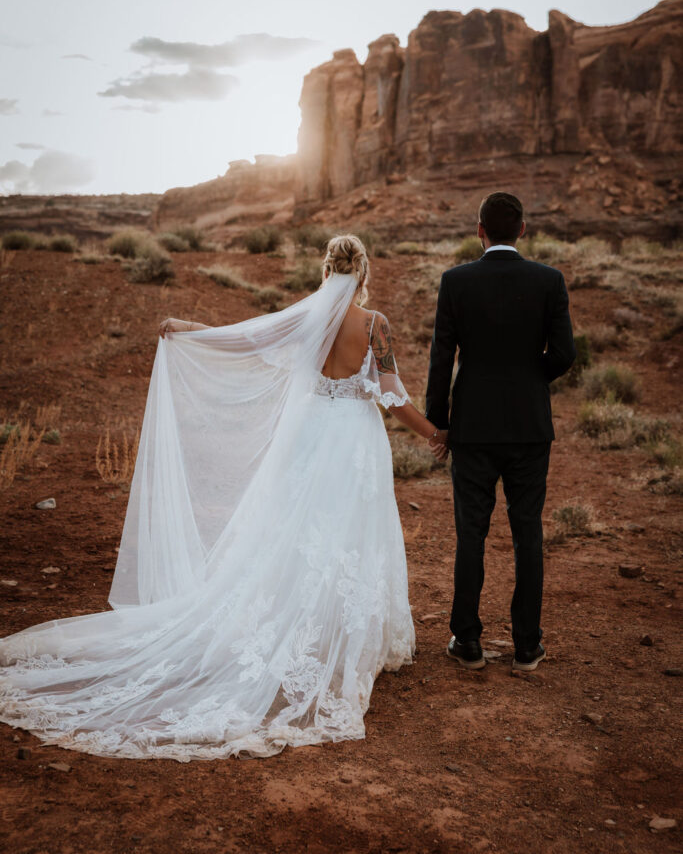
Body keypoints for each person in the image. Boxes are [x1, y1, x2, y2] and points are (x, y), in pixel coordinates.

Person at [0, 234, 440, 760]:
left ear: (326, 272)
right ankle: (337, 639)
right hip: (351, 442)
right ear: (364, 272)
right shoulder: (373, 324)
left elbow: (246, 341)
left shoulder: (309, 319)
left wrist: (189, 331)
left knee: (289, 532)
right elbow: (391, 395)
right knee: (350, 531)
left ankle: (289, 629)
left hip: (309, 435)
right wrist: (436, 433)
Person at [425, 193, 576, 672]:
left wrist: (440, 422)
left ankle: (466, 641)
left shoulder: (456, 282)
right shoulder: (549, 280)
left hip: (472, 426)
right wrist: (531, 379)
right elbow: (566, 354)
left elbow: (440, 357)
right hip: (530, 427)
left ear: (479, 231)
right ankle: (527, 645)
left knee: (472, 530)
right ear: (524, 230)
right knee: (527, 531)